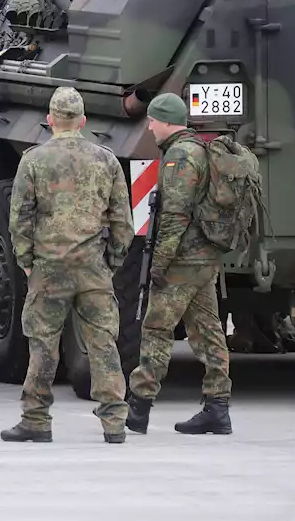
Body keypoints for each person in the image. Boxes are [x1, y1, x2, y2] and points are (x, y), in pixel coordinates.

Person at [1, 86, 134, 444]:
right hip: (93, 268)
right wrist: (114, 261)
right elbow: (123, 221)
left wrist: (26, 260)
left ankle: (36, 419)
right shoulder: (106, 160)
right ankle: (114, 422)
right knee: (103, 343)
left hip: (49, 269)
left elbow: (20, 218)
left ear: (50, 120)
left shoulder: (33, 161)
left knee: (43, 344)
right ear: (84, 121)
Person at [126, 92, 233, 435]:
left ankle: (138, 408)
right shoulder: (196, 148)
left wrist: (159, 263)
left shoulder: (180, 155)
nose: (150, 126)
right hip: (203, 259)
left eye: (153, 120)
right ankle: (218, 408)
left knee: (157, 328)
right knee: (207, 330)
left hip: (184, 260)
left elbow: (174, 215)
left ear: (166, 120)